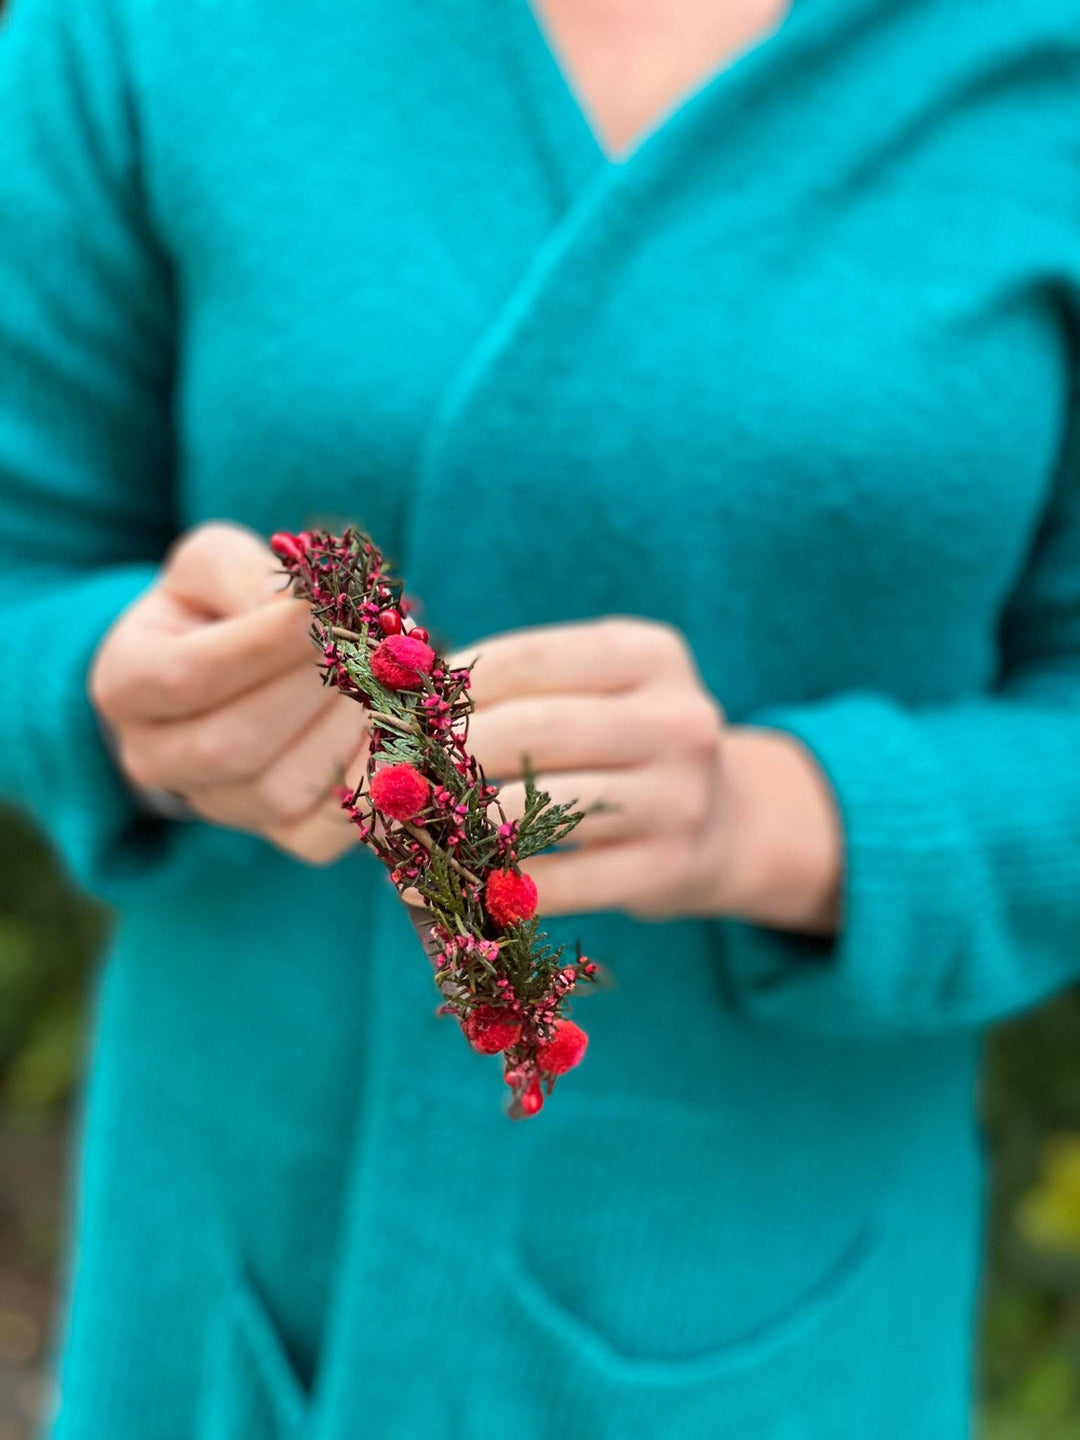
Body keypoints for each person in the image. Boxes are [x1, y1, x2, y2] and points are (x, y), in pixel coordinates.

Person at [1, 0, 1079, 1434]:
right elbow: (28, 561)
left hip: (778, 1308)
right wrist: (134, 697)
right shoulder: (146, 30)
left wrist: (779, 818)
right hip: (226, 1302)